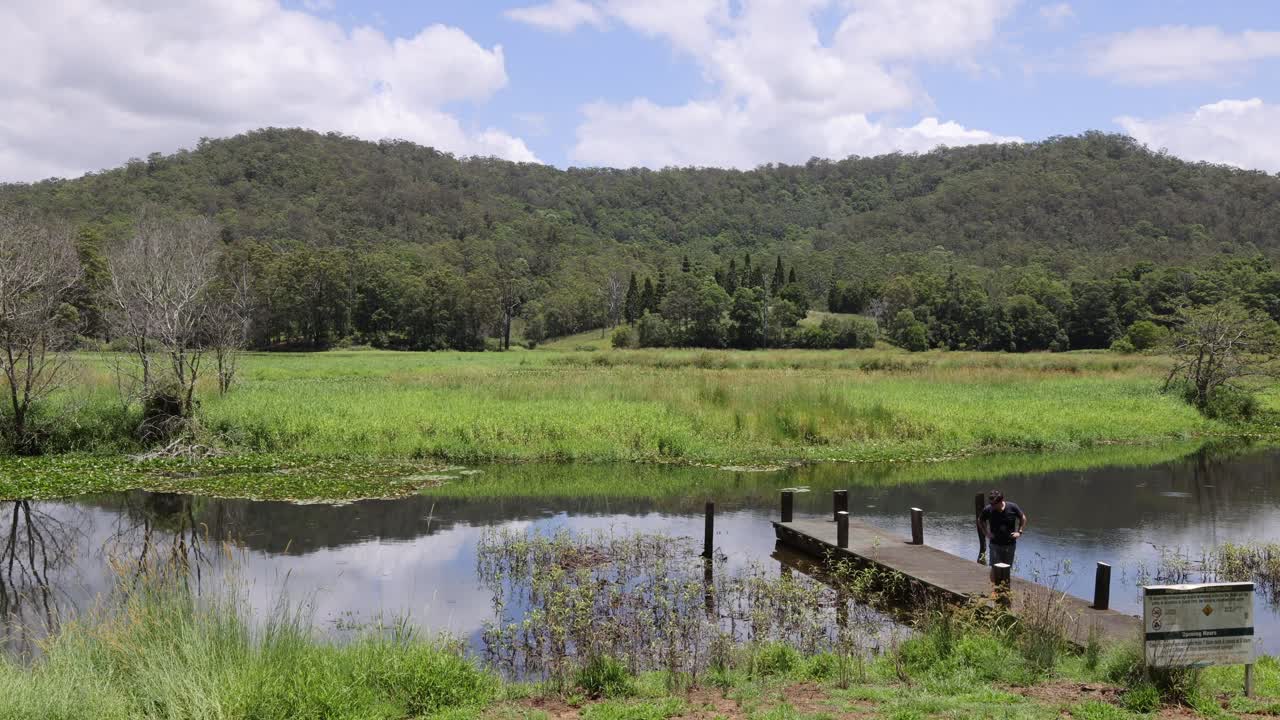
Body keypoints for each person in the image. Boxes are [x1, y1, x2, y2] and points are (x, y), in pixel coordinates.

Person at [977, 489, 1027, 567]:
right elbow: (980, 520)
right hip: (995, 545)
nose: (992, 505)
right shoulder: (988, 509)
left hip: (1010, 545)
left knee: (1006, 569)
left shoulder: (1012, 507)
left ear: (1001, 501)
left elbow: (1023, 518)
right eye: (991, 503)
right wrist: (986, 533)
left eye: (994, 504)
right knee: (995, 569)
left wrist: (1019, 532)